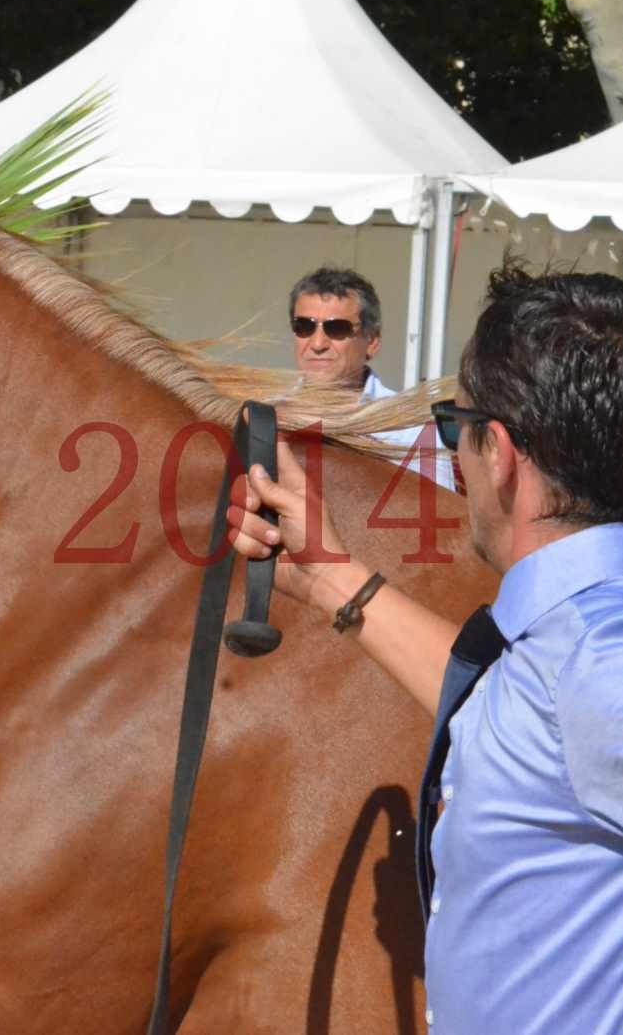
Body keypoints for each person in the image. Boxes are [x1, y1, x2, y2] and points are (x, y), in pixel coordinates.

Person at [231, 265, 623, 1033]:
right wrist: (327, 578)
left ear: (499, 453)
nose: (454, 457)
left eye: (455, 426)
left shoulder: (594, 656)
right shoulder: (568, 638)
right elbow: (505, 716)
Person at [288, 267, 456, 489]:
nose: (318, 344)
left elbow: (434, 516)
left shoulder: (411, 429)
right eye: (305, 326)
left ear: (372, 341)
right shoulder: (266, 415)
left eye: (337, 328)